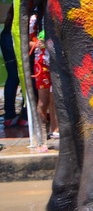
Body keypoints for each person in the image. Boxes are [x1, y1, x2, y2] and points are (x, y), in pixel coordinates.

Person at [28, 11, 58, 139]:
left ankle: (55, 130)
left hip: (57, 62)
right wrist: (37, 44)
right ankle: (39, 132)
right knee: (43, 100)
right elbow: (28, 40)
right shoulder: (35, 18)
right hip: (41, 63)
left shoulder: (57, 14)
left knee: (55, 98)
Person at [1, 7, 27, 128]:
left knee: (13, 77)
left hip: (7, 35)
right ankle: (25, 115)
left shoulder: (15, 6)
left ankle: (10, 115)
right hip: (15, 37)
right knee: (26, 76)